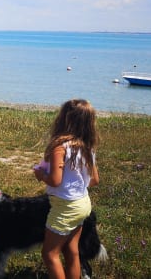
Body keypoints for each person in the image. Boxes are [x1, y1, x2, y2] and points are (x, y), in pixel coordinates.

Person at [33, 99, 100, 279]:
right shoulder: (88, 147)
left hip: (65, 206)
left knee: (50, 254)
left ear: (63, 119)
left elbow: (55, 180)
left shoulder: (59, 148)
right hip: (83, 203)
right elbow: (94, 180)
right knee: (72, 250)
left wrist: (41, 176)